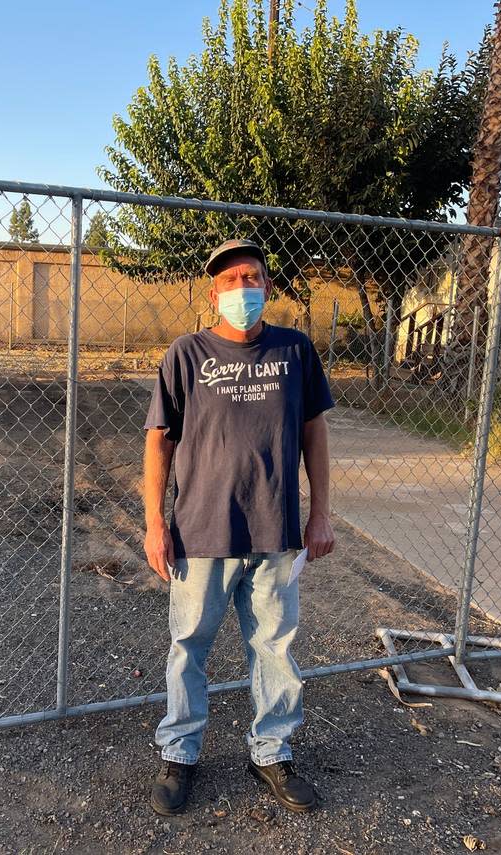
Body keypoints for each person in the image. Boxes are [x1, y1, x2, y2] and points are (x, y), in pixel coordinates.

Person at [142, 238, 336, 816]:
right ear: (213, 294)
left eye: (251, 278)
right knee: (189, 647)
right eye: (230, 282)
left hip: (275, 530)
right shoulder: (186, 354)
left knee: (274, 648)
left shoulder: (295, 351)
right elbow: (159, 440)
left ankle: (271, 752)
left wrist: (320, 511)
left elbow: (314, 435)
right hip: (201, 531)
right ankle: (180, 753)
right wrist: (155, 523)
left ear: (268, 287)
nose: (241, 289)